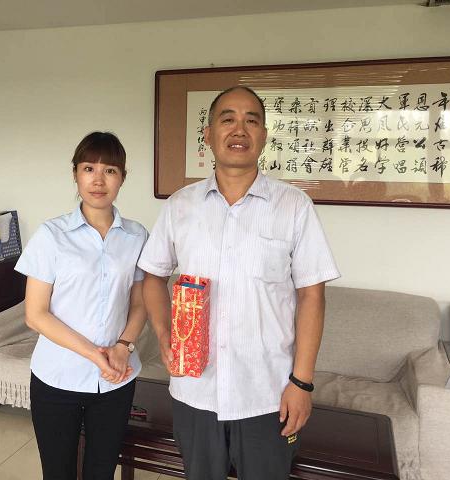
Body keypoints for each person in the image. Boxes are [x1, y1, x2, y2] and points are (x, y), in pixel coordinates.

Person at [138, 86, 340, 480]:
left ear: (263, 136)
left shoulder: (293, 206)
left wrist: (302, 382)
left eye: (251, 120)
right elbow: (153, 276)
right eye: (227, 119)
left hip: (267, 393)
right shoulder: (180, 205)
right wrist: (164, 337)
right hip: (195, 389)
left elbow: (312, 296)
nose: (239, 129)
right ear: (208, 134)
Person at [15, 131, 148, 480]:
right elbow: (35, 314)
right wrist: (95, 355)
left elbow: (140, 304)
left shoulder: (137, 236)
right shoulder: (51, 235)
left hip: (117, 378)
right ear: (75, 173)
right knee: (58, 472)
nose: (98, 180)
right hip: (57, 378)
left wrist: (123, 346)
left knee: (101, 472)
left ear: (122, 178)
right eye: (89, 168)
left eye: (110, 171)